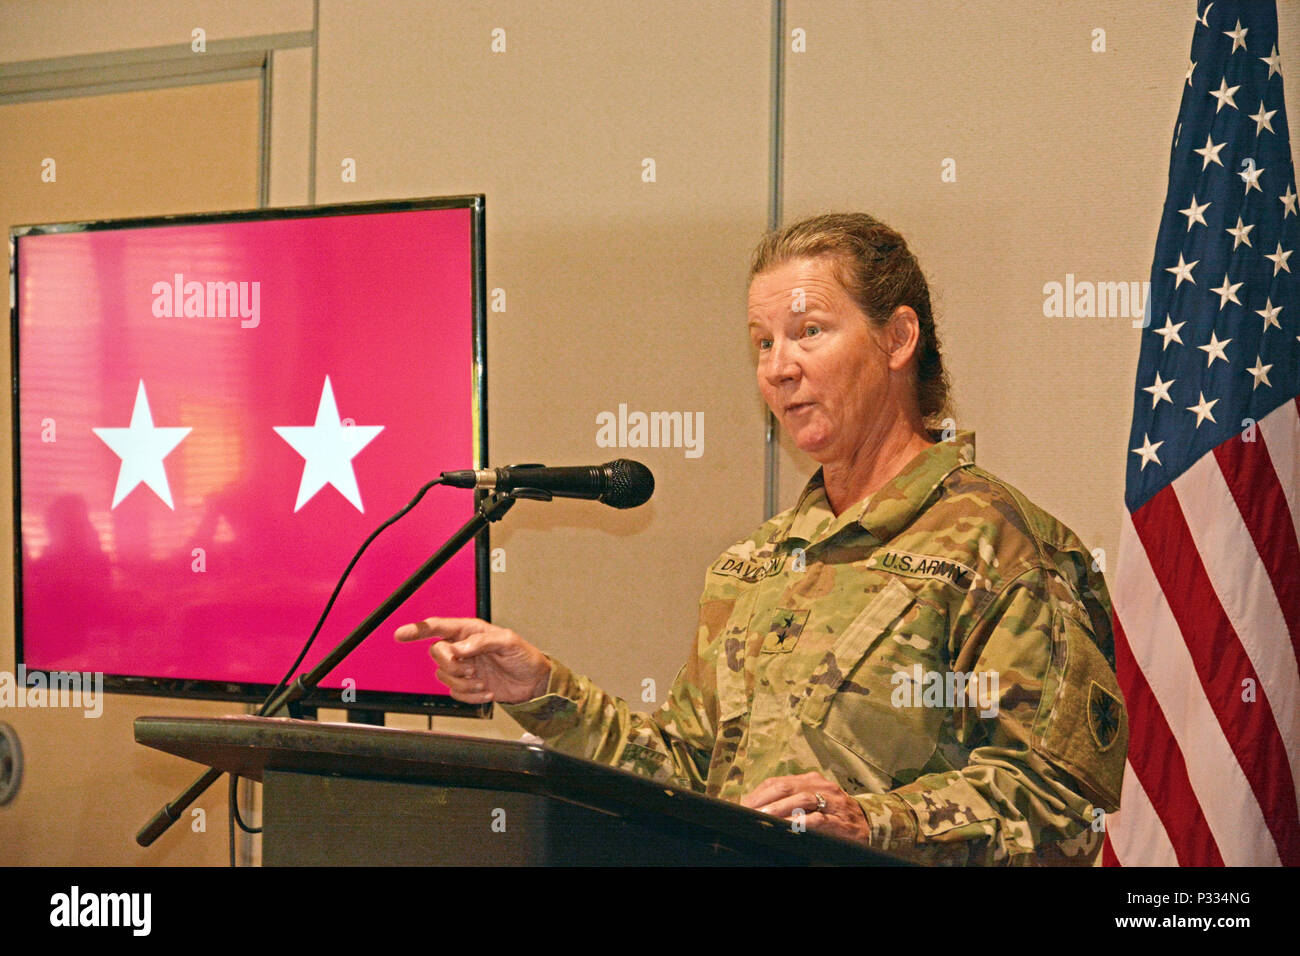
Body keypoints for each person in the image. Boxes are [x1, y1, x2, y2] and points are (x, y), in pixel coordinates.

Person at [395, 213, 1127, 866]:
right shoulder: (756, 566)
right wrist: (545, 691)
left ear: (899, 338)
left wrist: (874, 823)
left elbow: (1060, 806)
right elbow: (687, 771)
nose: (778, 368)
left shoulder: (1000, 547)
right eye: (762, 342)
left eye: (809, 332)